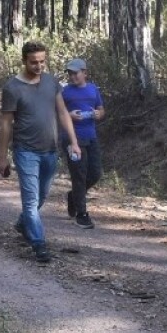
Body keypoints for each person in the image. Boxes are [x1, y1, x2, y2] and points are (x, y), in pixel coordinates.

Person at [0, 41, 80, 263]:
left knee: (41, 196)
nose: (39, 66)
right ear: (24, 61)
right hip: (25, 151)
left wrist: (73, 141)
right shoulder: (12, 88)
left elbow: (63, 114)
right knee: (31, 200)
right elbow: (6, 125)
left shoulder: (51, 82)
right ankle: (39, 243)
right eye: (34, 62)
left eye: (42, 61)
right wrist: (2, 157)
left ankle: (24, 223)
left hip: (50, 150)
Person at [60, 57, 105, 229]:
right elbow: (57, 111)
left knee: (95, 173)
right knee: (78, 174)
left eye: (75, 73)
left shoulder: (93, 90)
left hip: (91, 137)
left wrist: (98, 114)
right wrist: (69, 116)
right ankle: (82, 213)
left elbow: (101, 109)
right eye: (70, 74)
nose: (72, 77)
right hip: (72, 139)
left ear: (85, 73)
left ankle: (74, 196)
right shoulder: (65, 92)